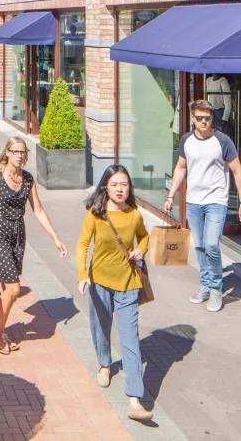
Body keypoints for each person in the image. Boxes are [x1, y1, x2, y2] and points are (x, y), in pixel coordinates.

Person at [0, 137, 67, 354]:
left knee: (6, 288)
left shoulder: (27, 179)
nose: (19, 155)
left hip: (18, 236)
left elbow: (38, 210)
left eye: (23, 152)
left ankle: (0, 328)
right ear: (7, 153)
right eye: (16, 151)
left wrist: (56, 238)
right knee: (14, 289)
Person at [77, 165, 153, 422]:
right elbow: (83, 243)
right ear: (105, 188)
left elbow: (144, 237)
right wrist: (82, 274)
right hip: (99, 281)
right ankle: (104, 364)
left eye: (124, 184)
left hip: (128, 283)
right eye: (114, 185)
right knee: (100, 327)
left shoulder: (135, 215)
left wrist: (141, 250)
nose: (120, 189)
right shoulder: (96, 214)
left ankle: (135, 400)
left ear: (129, 187)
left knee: (130, 340)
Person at [164, 98, 241, 312]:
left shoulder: (222, 141)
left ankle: (216, 288)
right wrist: (171, 196)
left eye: (208, 118)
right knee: (200, 245)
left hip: (216, 201)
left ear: (212, 119)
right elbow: (181, 167)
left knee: (212, 244)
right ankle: (206, 285)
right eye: (200, 117)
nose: (204, 122)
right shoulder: (186, 140)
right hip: (193, 201)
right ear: (192, 118)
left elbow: (237, 171)